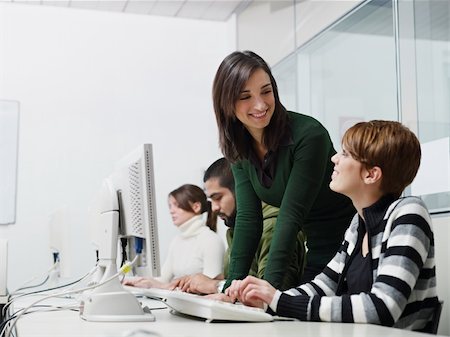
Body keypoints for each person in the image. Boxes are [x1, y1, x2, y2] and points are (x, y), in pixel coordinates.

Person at [226, 120, 439, 331]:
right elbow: (324, 286)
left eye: (345, 154)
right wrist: (265, 299)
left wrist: (279, 302)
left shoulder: (408, 213)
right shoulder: (358, 223)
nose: (334, 158)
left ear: (371, 174)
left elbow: (382, 307)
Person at [212, 50, 355, 289]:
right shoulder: (239, 149)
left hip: (349, 248)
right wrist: (229, 290)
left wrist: (268, 290)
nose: (260, 104)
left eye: (266, 91)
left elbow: (290, 216)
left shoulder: (309, 135)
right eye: (245, 96)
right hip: (316, 249)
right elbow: (248, 219)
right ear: (226, 103)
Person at [175, 158, 306, 294]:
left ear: (242, 191)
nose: (213, 208)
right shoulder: (235, 229)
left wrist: (216, 286)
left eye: (218, 197)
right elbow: (239, 282)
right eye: (211, 200)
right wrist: (199, 283)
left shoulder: (273, 227)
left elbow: (271, 295)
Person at [124, 184, 224, 289]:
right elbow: (162, 280)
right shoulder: (177, 241)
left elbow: (209, 288)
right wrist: (139, 282)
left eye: (177, 205)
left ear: (196, 207)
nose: (171, 211)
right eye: (170, 206)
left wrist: (165, 287)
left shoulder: (211, 240)